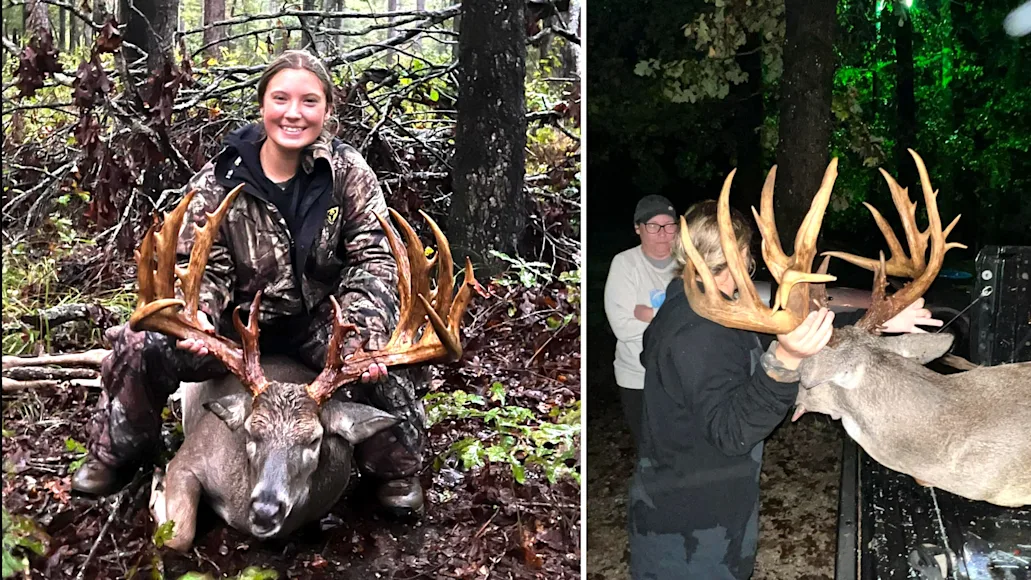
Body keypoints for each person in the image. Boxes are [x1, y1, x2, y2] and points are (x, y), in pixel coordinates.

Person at [72, 50, 426, 516]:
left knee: (386, 364)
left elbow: (376, 256)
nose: (293, 113)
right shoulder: (221, 179)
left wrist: (360, 331)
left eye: (309, 101)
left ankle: (393, 471)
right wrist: (197, 311)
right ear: (262, 104)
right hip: (235, 324)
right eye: (280, 98)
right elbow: (199, 262)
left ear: (326, 109)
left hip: (322, 321)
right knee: (143, 343)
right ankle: (117, 451)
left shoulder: (347, 173)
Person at [628, 200, 940, 579]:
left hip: (692, 502)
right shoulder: (700, 331)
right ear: (742, 253)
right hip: (692, 531)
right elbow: (733, 432)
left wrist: (878, 320)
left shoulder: (697, 306)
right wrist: (784, 363)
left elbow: (775, 329)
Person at [603, 194, 679, 445]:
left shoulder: (688, 265)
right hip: (638, 378)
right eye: (653, 226)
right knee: (650, 449)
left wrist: (650, 314)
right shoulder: (625, 264)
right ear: (638, 228)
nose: (663, 233)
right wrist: (676, 318)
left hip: (683, 376)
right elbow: (623, 328)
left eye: (669, 225)